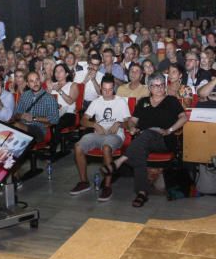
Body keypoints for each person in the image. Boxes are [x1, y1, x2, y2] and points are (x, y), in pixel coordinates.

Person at [104, 74, 187, 208]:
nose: (159, 88)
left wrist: (169, 130)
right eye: (155, 85)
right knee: (140, 149)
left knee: (146, 134)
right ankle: (142, 193)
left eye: (161, 85)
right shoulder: (143, 102)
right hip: (143, 139)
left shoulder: (171, 100)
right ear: (149, 87)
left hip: (164, 139)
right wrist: (131, 128)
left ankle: (120, 161)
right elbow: (133, 121)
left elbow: (184, 118)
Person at [70, 74, 130, 201]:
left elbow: (128, 123)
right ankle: (84, 182)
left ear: (113, 88)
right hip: (98, 134)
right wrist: (94, 124)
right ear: (101, 88)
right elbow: (83, 120)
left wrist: (118, 123)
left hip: (115, 135)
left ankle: (107, 186)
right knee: (78, 146)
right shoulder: (96, 102)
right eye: (104, 90)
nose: (107, 93)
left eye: (110, 89)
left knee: (106, 147)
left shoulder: (121, 101)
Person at [11, 71, 60, 140]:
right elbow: (16, 114)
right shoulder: (24, 95)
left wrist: (34, 118)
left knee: (15, 126)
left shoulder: (49, 98)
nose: (35, 83)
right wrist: (21, 116)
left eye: (37, 79)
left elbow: (55, 119)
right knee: (6, 125)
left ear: (40, 81)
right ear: (27, 84)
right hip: (22, 125)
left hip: (38, 129)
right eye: (31, 81)